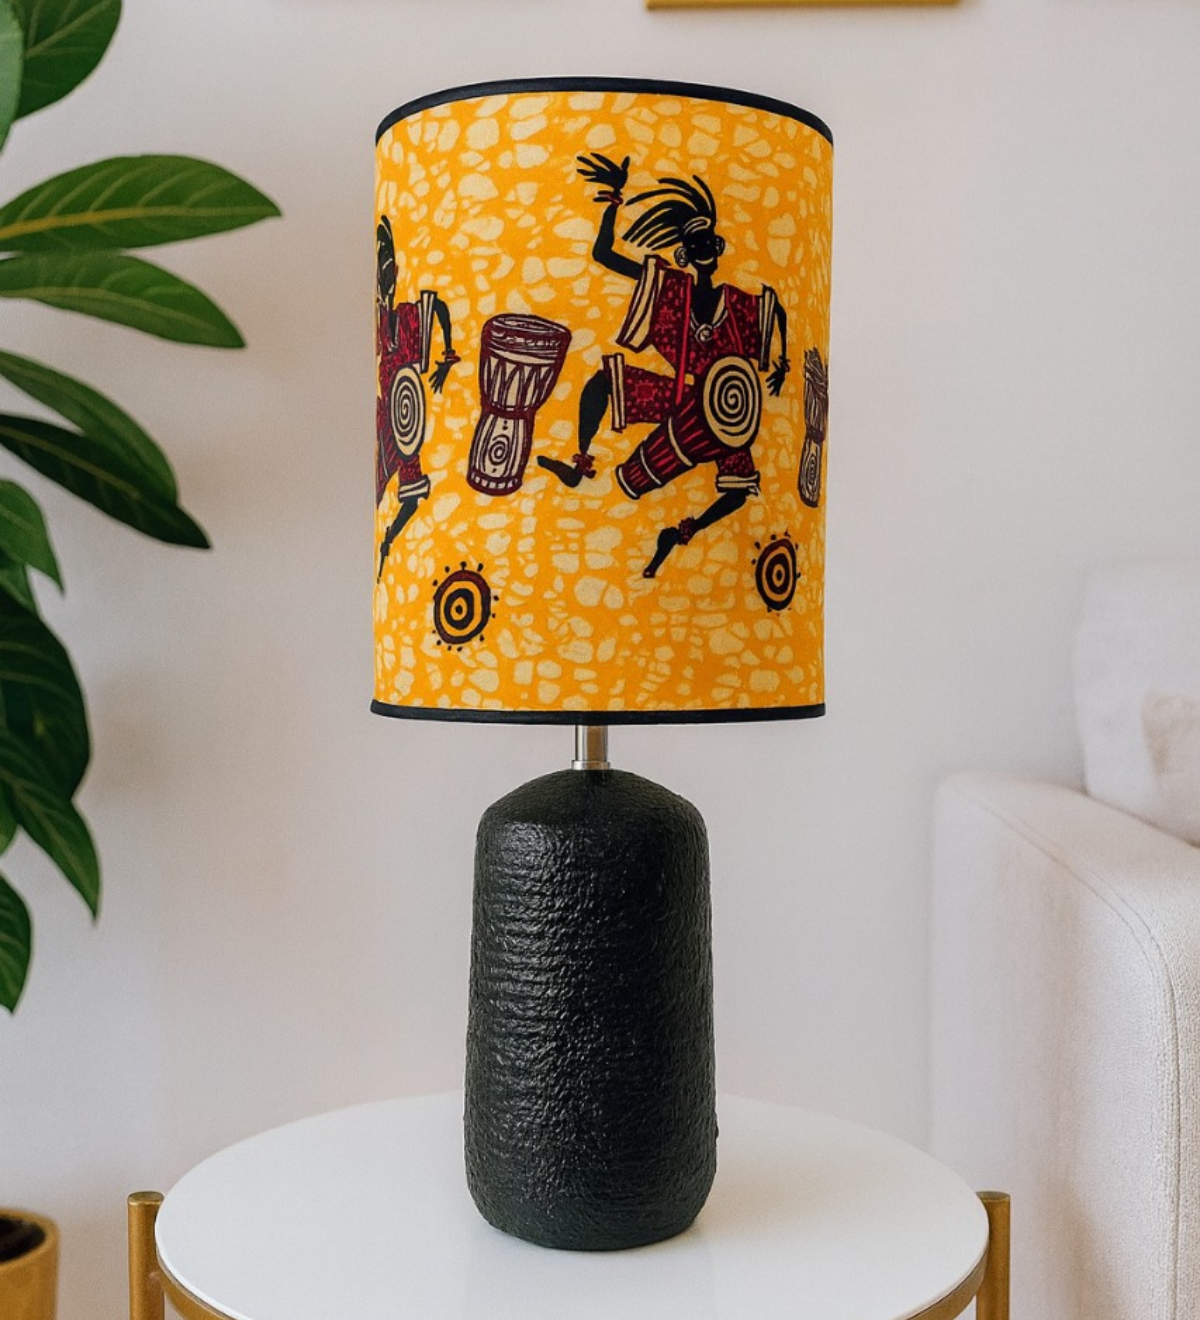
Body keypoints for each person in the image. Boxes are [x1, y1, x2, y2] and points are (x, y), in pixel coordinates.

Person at [538, 155, 789, 578]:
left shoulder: (738, 303)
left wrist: (782, 363)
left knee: (740, 488)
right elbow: (603, 254)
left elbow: (776, 307)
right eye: (697, 246)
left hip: (727, 417)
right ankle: (581, 462)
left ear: (718, 248)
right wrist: (613, 199)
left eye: (711, 243)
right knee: (604, 385)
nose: (706, 251)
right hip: (682, 402)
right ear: (684, 254)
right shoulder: (671, 287)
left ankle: (681, 532)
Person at [375, 215, 460, 579]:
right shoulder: (383, 324)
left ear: (395, 273)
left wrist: (448, 357)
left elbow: (437, 306)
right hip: (391, 421)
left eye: (388, 268)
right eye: (380, 268)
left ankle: (391, 543)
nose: (385, 279)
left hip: (408, 421)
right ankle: (392, 550)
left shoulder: (409, 318)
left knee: (411, 491)